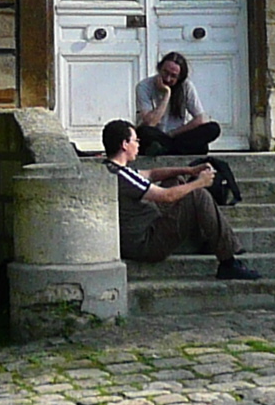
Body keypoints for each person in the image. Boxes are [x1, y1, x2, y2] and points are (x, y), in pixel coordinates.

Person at [103, 119, 259, 280]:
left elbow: (151, 174)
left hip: (145, 229)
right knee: (198, 195)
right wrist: (200, 182)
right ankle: (228, 262)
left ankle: (208, 239)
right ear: (124, 144)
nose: (138, 145)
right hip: (145, 243)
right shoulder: (121, 175)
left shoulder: (111, 169)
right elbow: (167, 196)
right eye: (135, 140)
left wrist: (188, 170)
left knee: (174, 180)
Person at [134, 53, 222, 158]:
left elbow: (201, 119)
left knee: (213, 128)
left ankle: (165, 149)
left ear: (180, 77)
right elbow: (150, 123)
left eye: (173, 76)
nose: (167, 79)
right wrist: (167, 94)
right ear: (159, 68)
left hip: (177, 135)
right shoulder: (144, 86)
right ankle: (179, 149)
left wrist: (173, 134)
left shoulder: (186, 86)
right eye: (165, 72)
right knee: (143, 132)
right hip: (154, 135)